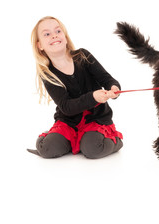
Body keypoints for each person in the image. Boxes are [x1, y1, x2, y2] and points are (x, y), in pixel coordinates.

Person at [27, 16, 123, 159]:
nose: (54, 35)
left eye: (58, 31)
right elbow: (66, 106)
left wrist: (114, 87)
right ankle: (63, 139)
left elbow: (106, 78)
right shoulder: (47, 74)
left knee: (92, 149)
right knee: (47, 149)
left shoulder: (82, 56)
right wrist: (93, 97)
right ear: (40, 45)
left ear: (65, 38)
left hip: (95, 120)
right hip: (68, 122)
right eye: (47, 34)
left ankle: (115, 141)